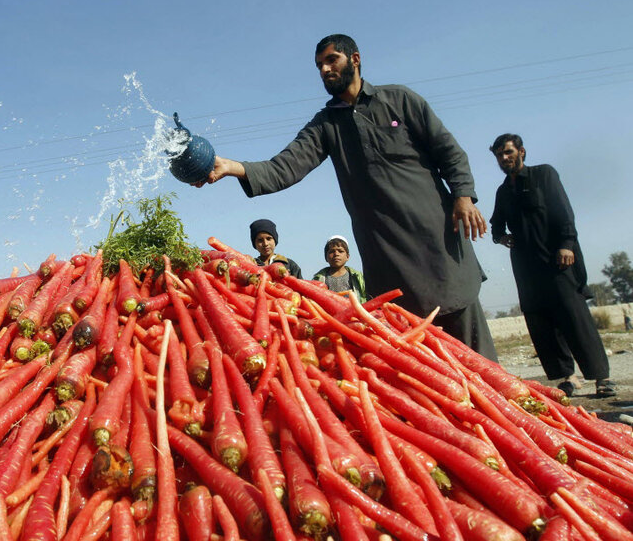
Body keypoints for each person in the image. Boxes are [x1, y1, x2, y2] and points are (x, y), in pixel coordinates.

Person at [197, 34, 497, 361]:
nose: (325, 70)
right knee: (423, 365)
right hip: (388, 261)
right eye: (319, 66)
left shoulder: (400, 100)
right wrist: (231, 166)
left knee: (480, 363)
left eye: (331, 60)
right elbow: (284, 168)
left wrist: (463, 196)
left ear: (354, 58)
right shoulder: (326, 125)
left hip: (439, 246)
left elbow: (449, 152)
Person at [489, 133, 616, 398]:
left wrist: (567, 243)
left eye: (508, 152)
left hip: (557, 259)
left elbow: (563, 210)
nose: (504, 158)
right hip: (526, 268)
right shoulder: (503, 191)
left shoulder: (544, 175)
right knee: (541, 322)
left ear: (521, 152)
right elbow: (496, 225)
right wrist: (502, 237)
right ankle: (566, 378)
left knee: (575, 318)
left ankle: (601, 378)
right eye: (500, 154)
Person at [312, 235, 367, 302]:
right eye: (332, 251)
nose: (336, 254)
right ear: (326, 257)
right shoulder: (318, 279)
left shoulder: (357, 277)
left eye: (340, 251)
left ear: (347, 256)